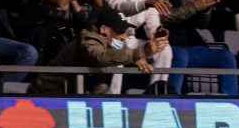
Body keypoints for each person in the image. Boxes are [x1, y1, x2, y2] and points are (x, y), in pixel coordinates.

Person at [155, 0, 238, 96]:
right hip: (165, 47)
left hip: (190, 46)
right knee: (181, 55)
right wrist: (195, 6)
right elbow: (165, 17)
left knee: (226, 57)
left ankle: (231, 104)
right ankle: (174, 100)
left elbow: (200, 24)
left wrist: (205, 9)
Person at [29, 7, 169, 95]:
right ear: (104, 29)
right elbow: (100, 56)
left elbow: (124, 50)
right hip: (45, 93)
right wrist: (139, 51)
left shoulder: (109, 39)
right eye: (120, 31)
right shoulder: (88, 38)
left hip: (67, 92)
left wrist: (139, 57)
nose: (124, 36)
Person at [101, 0, 176, 93]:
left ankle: (157, 95)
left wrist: (157, 32)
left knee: (164, 48)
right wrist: (145, 3)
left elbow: (152, 23)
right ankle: (111, 98)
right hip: (108, 39)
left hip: (130, 39)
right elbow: (116, 7)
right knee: (118, 49)